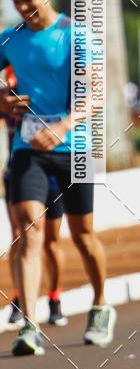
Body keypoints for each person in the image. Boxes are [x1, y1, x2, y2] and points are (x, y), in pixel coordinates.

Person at [0, 0, 116, 355]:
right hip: (28, 149)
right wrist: (3, 99)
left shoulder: (76, 35)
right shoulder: (9, 40)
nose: (23, 8)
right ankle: (29, 325)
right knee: (27, 233)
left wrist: (64, 126)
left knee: (83, 236)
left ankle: (101, 305)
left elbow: (97, 94)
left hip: (75, 148)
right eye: (16, 1)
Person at [2, 73, 68, 328]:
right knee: (20, 235)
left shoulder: (53, 88)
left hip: (55, 169)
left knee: (50, 241)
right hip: (19, 170)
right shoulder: (12, 98)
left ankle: (54, 297)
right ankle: (20, 297)